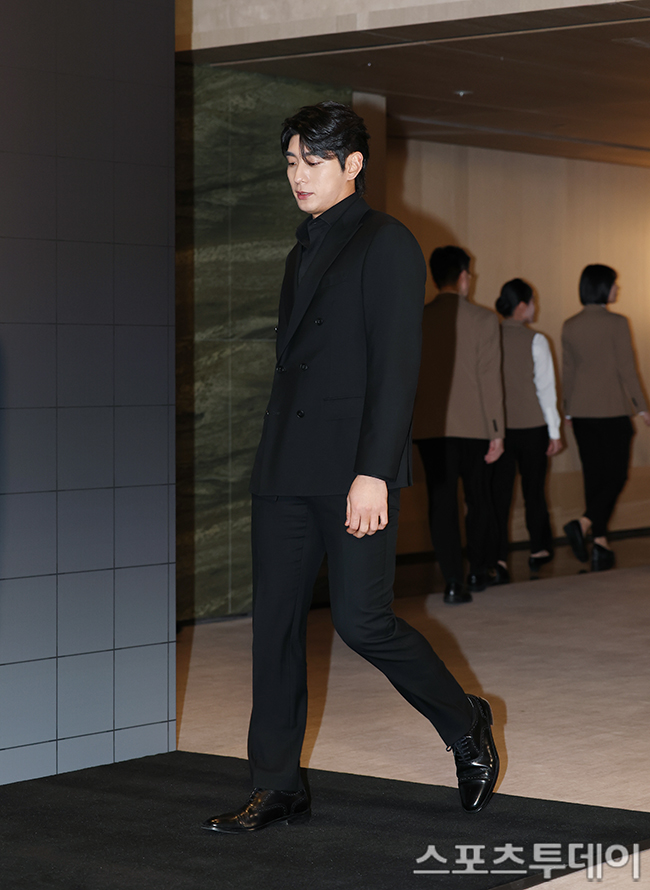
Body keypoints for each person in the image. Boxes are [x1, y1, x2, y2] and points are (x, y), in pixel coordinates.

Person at [202, 102, 499, 834]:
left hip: (351, 472)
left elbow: (396, 369)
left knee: (364, 622)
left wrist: (374, 473)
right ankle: (277, 785)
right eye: (291, 162)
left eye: (313, 161)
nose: (298, 176)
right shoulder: (300, 249)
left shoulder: (386, 242)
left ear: (353, 164)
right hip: (284, 468)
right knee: (274, 625)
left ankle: (464, 720)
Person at [413, 246, 505, 605]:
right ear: (464, 277)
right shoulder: (483, 319)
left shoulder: (418, 318)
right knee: (478, 499)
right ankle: (478, 570)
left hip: (431, 428)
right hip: (476, 426)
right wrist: (497, 431)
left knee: (441, 503)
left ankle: (452, 581)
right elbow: (489, 380)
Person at [562, 264, 650, 571]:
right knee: (617, 475)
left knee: (594, 476)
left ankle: (599, 542)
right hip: (612, 411)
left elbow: (568, 371)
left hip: (581, 412)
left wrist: (567, 409)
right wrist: (643, 407)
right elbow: (628, 368)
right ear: (602, 287)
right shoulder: (617, 323)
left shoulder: (570, 325)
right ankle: (585, 522)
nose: (617, 288)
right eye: (614, 284)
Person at [491, 279, 563, 578]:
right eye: (533, 301)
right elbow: (546, 389)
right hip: (533, 427)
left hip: (499, 430)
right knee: (534, 491)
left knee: (499, 496)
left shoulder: (490, 335)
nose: (535, 307)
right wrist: (555, 432)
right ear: (522, 306)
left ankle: (498, 557)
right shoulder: (536, 340)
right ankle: (539, 548)